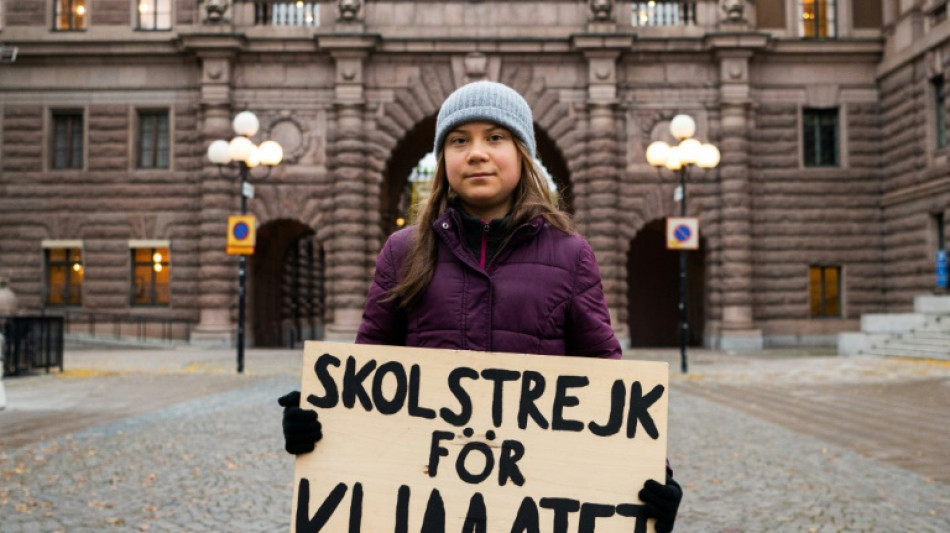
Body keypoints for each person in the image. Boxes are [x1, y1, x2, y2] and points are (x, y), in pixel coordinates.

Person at [279, 80, 682, 532]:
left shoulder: (571, 255)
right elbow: (369, 365)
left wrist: (653, 474)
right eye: (458, 140)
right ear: (442, 158)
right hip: (424, 503)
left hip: (530, 503)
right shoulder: (402, 252)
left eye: (495, 137)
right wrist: (318, 419)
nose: (476, 152)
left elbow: (608, 377)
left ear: (523, 153)